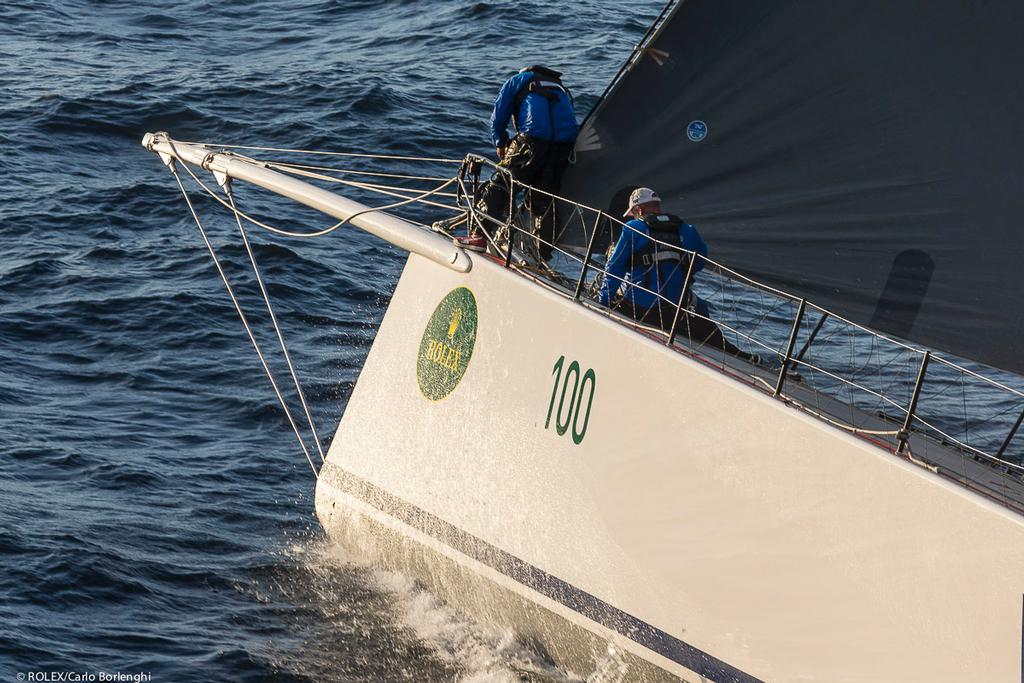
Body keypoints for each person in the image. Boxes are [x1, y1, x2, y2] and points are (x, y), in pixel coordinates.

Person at [599, 187, 759, 363]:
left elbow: (614, 268)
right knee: (700, 309)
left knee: (614, 290)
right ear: (657, 206)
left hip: (638, 308)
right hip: (672, 311)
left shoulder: (633, 228)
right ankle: (741, 357)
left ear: (639, 210)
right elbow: (699, 262)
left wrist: (603, 302)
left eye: (633, 213)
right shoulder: (686, 229)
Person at [457, 65, 579, 258]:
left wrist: (500, 141)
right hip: (563, 148)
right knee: (544, 200)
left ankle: (479, 236)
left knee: (500, 185)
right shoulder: (560, 87)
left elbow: (499, 117)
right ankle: (542, 255)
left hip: (531, 142)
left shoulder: (518, 80)